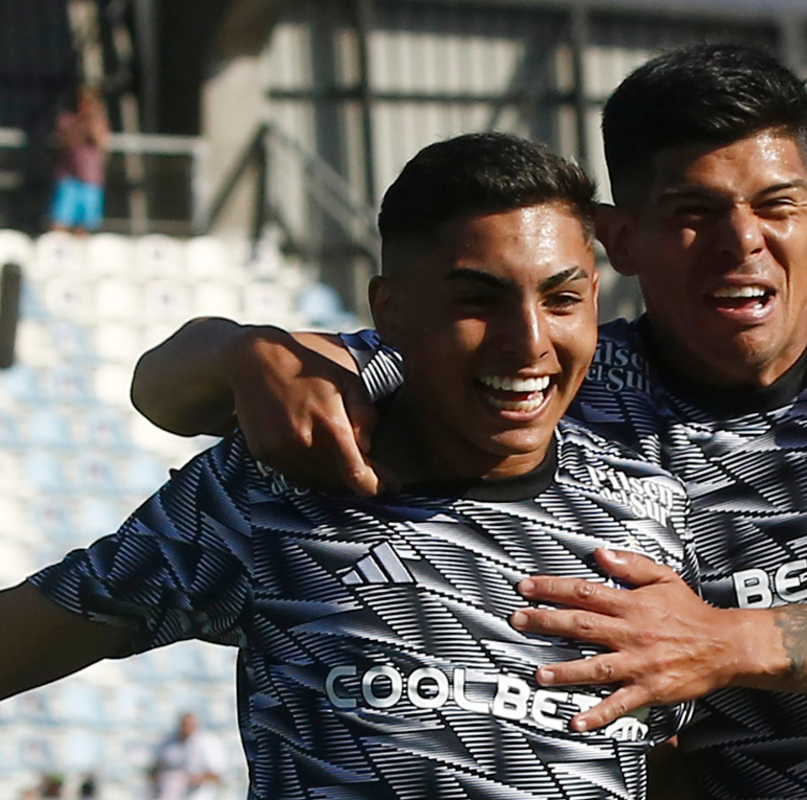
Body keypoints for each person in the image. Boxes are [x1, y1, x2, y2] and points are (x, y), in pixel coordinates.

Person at [131, 44, 807, 800]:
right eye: (694, 213)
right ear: (620, 239)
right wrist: (238, 352)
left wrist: (724, 643)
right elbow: (171, 394)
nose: (744, 242)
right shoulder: (556, 378)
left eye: (774, 205)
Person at [0, 132, 698, 799]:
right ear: (389, 312)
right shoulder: (280, 491)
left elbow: (669, 767)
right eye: (477, 302)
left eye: (562, 299)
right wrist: (238, 351)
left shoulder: (650, 513)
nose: (528, 342)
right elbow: (35, 631)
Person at [49, 86, 110, 235]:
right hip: (69, 177)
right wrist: (81, 123)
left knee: (84, 228)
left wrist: (93, 121)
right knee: (60, 224)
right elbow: (68, 143)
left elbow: (103, 144)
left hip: (90, 179)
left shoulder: (98, 122)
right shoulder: (67, 120)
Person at [149, 713, 225, 800]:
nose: (186, 728)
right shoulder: (168, 742)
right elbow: (155, 768)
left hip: (199, 793)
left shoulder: (208, 742)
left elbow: (216, 774)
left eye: (189, 725)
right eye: (184, 725)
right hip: (171, 791)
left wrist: (194, 779)